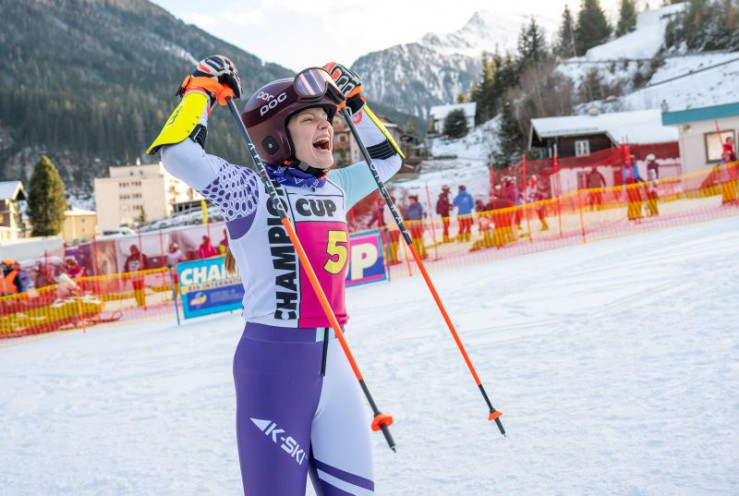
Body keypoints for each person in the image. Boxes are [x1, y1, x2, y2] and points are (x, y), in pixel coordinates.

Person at [147, 57, 401, 495]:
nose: (326, 126)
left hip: (337, 365)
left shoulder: (337, 186)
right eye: (309, 119)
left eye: (327, 117)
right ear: (276, 136)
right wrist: (201, 91)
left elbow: (388, 160)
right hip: (273, 371)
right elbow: (179, 155)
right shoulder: (250, 190)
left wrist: (358, 105)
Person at [404, 195, 427, 259]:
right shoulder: (409, 208)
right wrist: (406, 224)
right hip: (412, 227)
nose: (411, 201)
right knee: (414, 241)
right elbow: (406, 217)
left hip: (418, 226)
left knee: (419, 240)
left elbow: (423, 216)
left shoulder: (419, 207)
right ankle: (417, 254)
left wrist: (423, 225)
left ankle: (423, 253)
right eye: (410, 200)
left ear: (415, 200)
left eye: (412, 200)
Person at [622, 155, 643, 222]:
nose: (634, 161)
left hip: (630, 187)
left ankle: (632, 215)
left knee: (633, 201)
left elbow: (625, 179)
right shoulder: (631, 168)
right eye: (633, 160)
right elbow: (637, 177)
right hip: (633, 187)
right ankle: (636, 214)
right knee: (637, 201)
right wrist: (644, 182)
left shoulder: (626, 168)